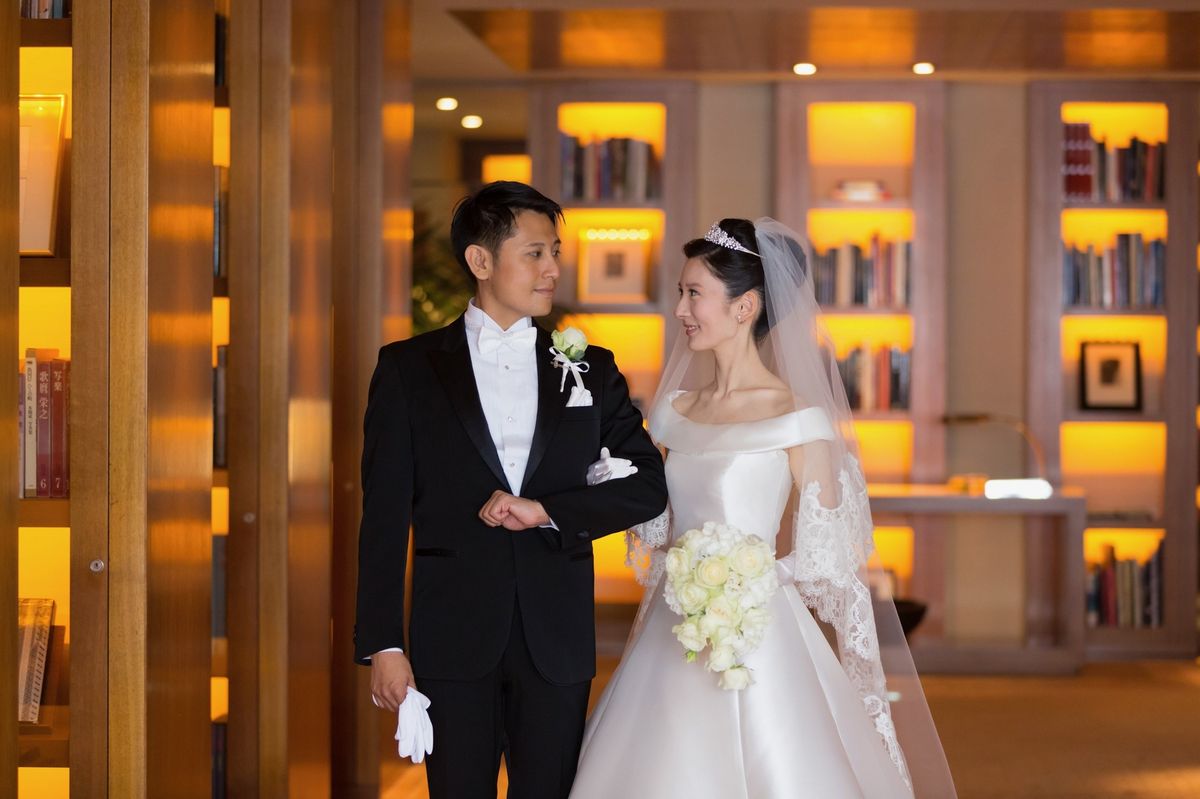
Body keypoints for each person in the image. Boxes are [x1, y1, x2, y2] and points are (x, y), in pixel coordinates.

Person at [569, 218, 956, 798]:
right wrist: (609, 479)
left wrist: (752, 578)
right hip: (675, 627)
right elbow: (655, 525)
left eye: (694, 293)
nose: (680, 309)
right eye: (681, 292)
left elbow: (827, 554)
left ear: (744, 307)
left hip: (761, 628)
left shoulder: (797, 418)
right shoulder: (673, 412)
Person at [354, 181, 668, 799]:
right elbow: (383, 517)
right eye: (535, 253)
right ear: (480, 260)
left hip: (557, 636)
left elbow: (647, 487)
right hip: (451, 636)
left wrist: (548, 511)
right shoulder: (407, 369)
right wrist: (383, 644)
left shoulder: (592, 367)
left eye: (555, 253)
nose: (553, 269)